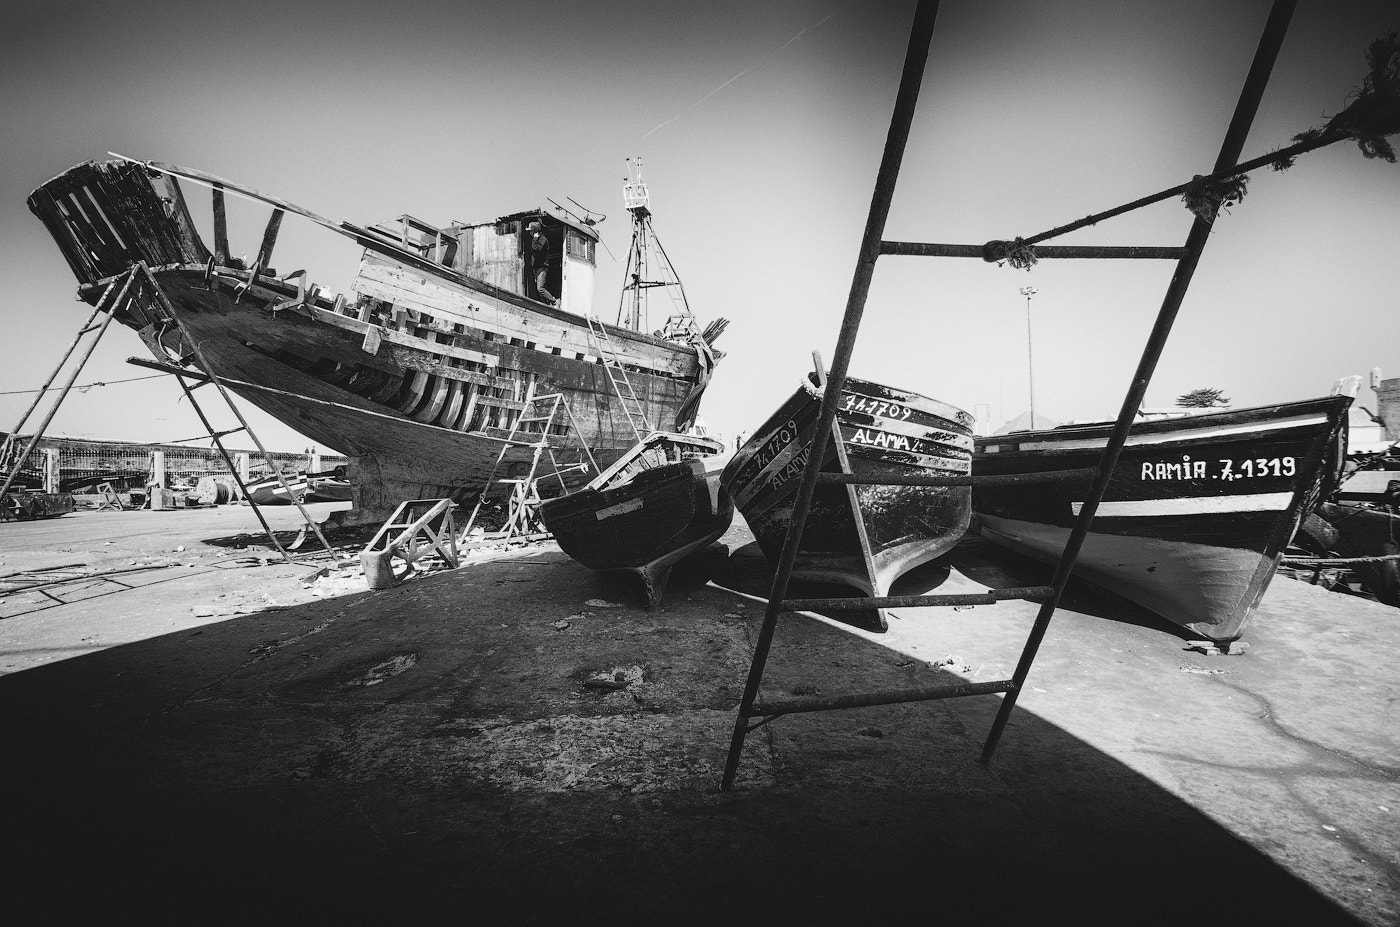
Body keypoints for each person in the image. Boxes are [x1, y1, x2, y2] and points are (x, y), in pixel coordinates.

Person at [528, 221, 558, 306]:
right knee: (539, 288)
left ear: (535, 231)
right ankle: (547, 304)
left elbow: (536, 249)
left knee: (540, 288)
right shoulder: (538, 239)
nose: (529, 233)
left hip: (541, 268)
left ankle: (554, 301)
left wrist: (534, 238)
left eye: (531, 231)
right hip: (537, 267)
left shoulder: (543, 240)